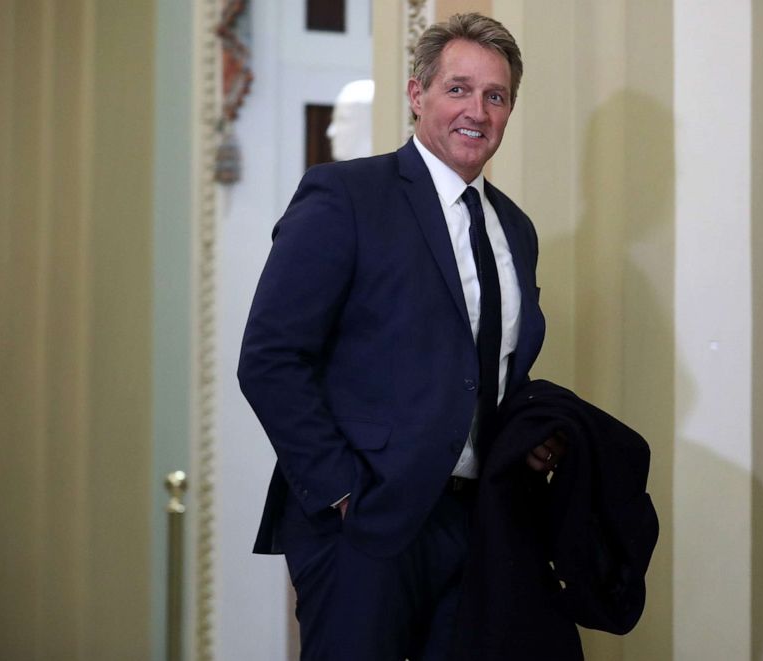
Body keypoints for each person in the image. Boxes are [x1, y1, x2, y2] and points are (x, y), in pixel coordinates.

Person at [238, 12, 563, 660]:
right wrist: (341, 491)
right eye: (458, 88)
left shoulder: (516, 231)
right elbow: (270, 357)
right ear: (417, 96)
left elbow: (486, 371)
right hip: (364, 530)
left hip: (475, 529)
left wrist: (521, 441)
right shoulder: (347, 196)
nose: (477, 109)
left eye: (495, 96)